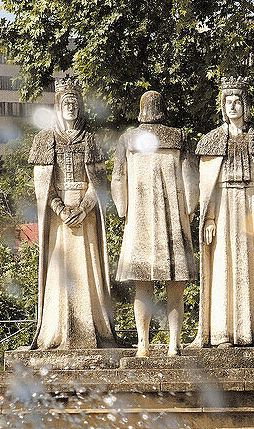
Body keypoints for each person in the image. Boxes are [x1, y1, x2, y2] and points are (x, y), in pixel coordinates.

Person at [27, 76, 118, 350]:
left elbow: (99, 182)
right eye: (66, 102)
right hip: (58, 219)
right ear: (58, 106)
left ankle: (93, 330)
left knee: (87, 272)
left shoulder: (91, 139)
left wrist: (83, 207)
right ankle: (56, 330)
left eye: (75, 102)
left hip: (85, 215)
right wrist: (60, 209)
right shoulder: (44, 140)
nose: (71, 107)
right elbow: (43, 186)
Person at [193, 77, 254, 348]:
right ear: (222, 106)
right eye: (228, 102)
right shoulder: (211, 142)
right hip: (223, 210)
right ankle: (223, 333)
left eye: (237, 102)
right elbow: (208, 189)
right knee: (223, 267)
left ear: (246, 105)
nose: (232, 106)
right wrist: (208, 218)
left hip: (253, 204)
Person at [111, 90, 198, 357]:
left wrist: (123, 210)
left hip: (140, 221)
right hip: (173, 219)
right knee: (176, 287)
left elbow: (117, 179)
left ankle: (143, 344)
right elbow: (191, 180)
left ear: (141, 110)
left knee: (142, 285)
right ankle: (173, 345)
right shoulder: (179, 137)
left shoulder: (128, 139)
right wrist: (190, 210)